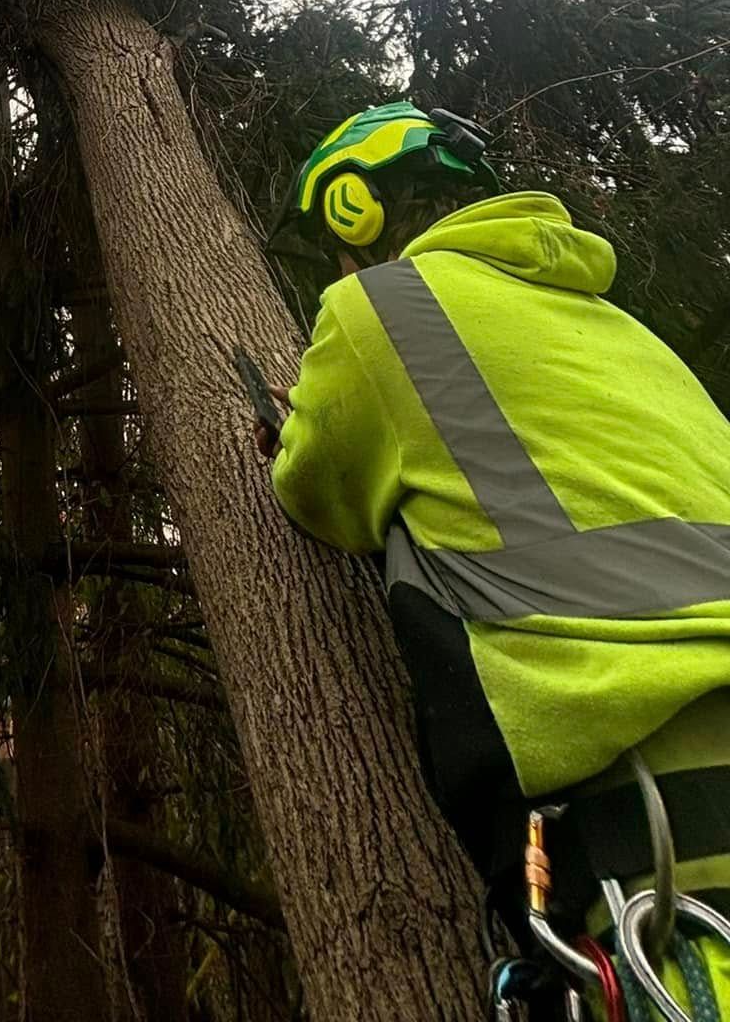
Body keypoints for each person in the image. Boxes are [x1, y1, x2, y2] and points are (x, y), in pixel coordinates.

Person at [262, 101, 730, 1019]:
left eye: (338, 243)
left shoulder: (379, 307)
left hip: (638, 786)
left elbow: (314, 491)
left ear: (352, 209)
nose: (343, 267)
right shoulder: (619, 327)